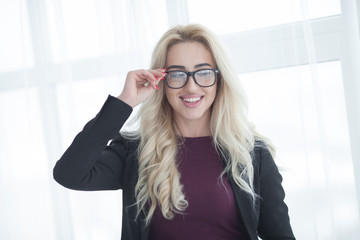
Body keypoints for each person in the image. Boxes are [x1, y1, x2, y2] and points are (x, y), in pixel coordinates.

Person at [53, 24, 295, 240]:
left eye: (203, 72)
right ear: (160, 81)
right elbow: (69, 174)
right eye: (177, 74)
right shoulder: (135, 151)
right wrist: (124, 102)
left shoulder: (253, 153)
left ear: (220, 80)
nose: (191, 86)